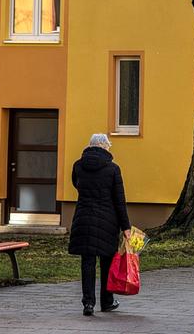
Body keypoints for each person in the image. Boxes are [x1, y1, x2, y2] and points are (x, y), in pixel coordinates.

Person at [68, 134, 131, 316]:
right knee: (106, 262)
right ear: (104, 147)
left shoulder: (78, 166)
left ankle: (88, 304)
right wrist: (125, 226)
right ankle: (106, 302)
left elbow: (77, 185)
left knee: (87, 263)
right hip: (107, 221)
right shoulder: (113, 169)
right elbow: (119, 200)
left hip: (84, 218)